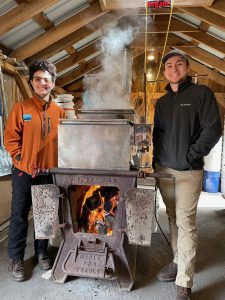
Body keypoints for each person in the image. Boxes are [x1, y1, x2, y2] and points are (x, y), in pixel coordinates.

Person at [152, 49, 222, 300]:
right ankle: (177, 260)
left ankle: (184, 282)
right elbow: (157, 135)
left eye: (179, 64)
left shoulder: (201, 94)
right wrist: (154, 162)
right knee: (171, 217)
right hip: (164, 170)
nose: (174, 69)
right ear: (164, 71)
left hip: (188, 172)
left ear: (188, 67)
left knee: (186, 224)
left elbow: (213, 130)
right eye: (169, 66)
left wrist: (189, 156)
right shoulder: (161, 102)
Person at [4, 60, 66, 281]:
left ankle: (41, 252)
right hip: (24, 172)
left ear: (53, 83)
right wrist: (23, 161)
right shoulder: (21, 108)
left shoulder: (60, 112)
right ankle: (16, 259)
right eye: (38, 79)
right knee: (20, 216)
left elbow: (67, 143)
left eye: (46, 79)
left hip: (48, 174)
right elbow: (11, 140)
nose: (42, 82)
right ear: (31, 83)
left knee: (45, 216)